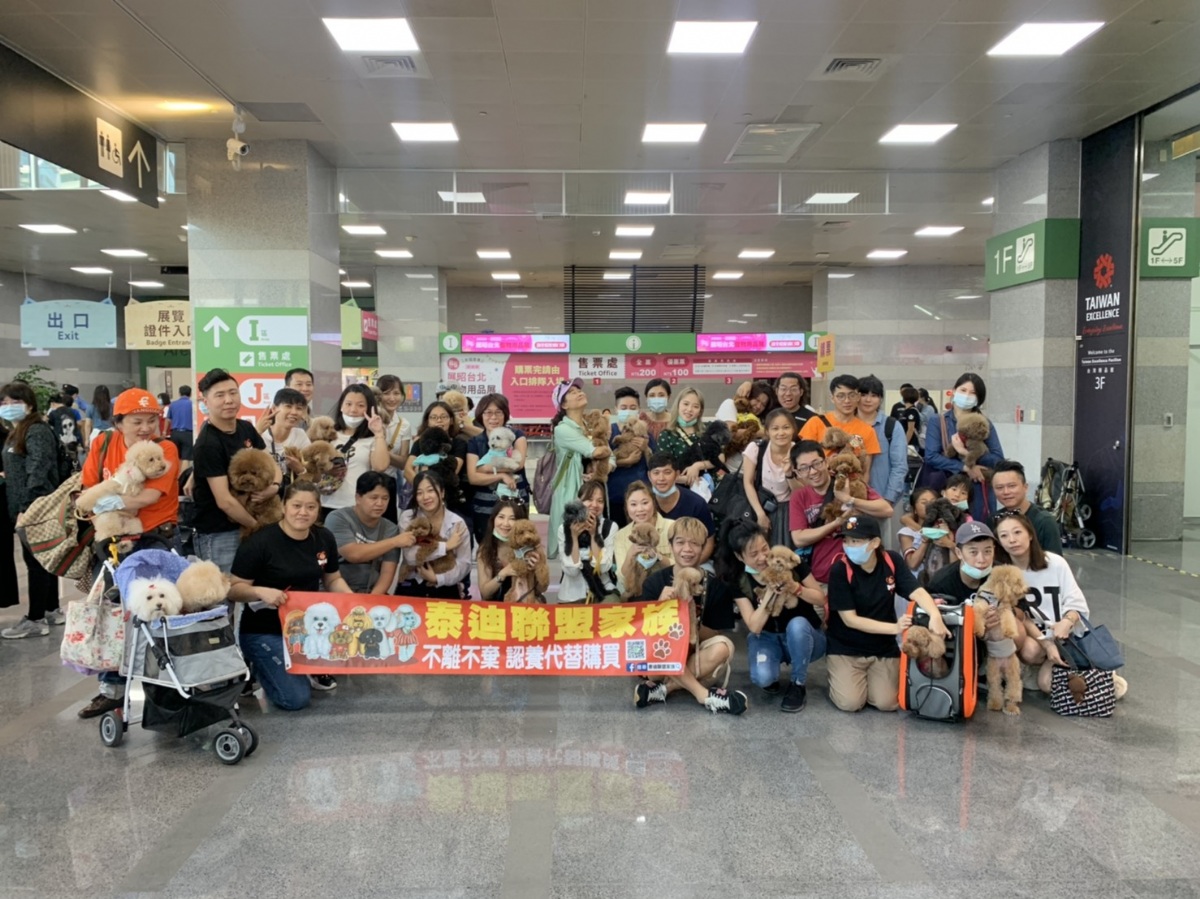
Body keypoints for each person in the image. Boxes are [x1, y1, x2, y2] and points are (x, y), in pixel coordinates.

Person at [73, 388, 183, 717]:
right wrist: (99, 506)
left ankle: (166, 693)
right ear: (119, 423)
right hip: (111, 539)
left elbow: (149, 497)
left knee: (162, 612)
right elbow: (88, 486)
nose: (146, 427)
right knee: (111, 613)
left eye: (152, 420)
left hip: (155, 539)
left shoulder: (165, 449)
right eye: (137, 421)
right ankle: (112, 691)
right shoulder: (103, 444)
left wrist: (108, 501)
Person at [229, 482, 350, 708]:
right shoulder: (259, 542)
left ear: (318, 510)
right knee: (295, 699)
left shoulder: (324, 538)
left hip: (307, 629)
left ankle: (304, 665)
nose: (303, 512)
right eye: (296, 506)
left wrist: (353, 600)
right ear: (284, 506)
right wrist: (259, 591)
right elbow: (233, 588)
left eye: (310, 507)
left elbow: (333, 579)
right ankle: (256, 665)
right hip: (265, 630)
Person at [993, 510, 1126, 699]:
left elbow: (1076, 602)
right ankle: (1050, 666)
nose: (1012, 540)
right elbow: (1022, 616)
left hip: (1066, 634)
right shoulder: (1003, 573)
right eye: (1004, 536)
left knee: (1046, 685)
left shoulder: (1055, 563)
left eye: (1017, 532)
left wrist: (1066, 621)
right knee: (1030, 652)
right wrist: (1048, 645)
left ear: (1030, 534)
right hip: (1038, 637)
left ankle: (1094, 673)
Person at [826, 515, 950, 712]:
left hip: (882, 648)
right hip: (846, 648)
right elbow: (850, 620)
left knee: (887, 703)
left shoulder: (891, 561)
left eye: (856, 541)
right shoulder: (839, 570)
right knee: (850, 703)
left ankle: (869, 679)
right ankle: (842, 674)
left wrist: (935, 615)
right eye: (846, 541)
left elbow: (916, 591)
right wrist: (895, 628)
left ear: (875, 542)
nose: (849, 546)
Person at [636, 516, 746, 715]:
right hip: (661, 655)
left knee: (724, 647)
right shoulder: (654, 582)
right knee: (658, 657)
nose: (687, 549)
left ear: (703, 548)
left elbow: (713, 634)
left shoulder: (716, 586)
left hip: (695, 653)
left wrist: (689, 619)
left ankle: (666, 688)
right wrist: (659, 608)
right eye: (680, 542)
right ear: (671, 545)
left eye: (694, 543)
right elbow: (642, 633)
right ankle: (702, 693)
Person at [722, 520, 826, 712]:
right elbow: (754, 626)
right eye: (754, 554)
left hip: (806, 637)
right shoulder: (738, 580)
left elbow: (820, 599)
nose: (763, 557)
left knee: (797, 625)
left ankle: (798, 683)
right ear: (739, 556)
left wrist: (796, 588)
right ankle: (770, 665)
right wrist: (770, 591)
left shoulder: (791, 562)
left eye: (765, 548)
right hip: (768, 637)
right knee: (763, 678)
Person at [191, 368, 273, 574]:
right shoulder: (207, 443)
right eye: (220, 395)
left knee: (251, 585)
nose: (228, 400)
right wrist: (257, 527)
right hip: (219, 533)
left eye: (233, 393)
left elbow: (270, 465)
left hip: (249, 524)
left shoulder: (246, 428)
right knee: (222, 589)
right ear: (206, 402)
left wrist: (274, 487)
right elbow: (225, 501)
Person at [0, 382, 64, 640]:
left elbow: (38, 469)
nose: (8, 407)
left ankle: (36, 619)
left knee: (36, 562)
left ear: (28, 404)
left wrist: (27, 507)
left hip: (35, 507)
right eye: (3, 402)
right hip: (25, 505)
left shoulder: (36, 430)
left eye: (14, 402)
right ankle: (50, 609)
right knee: (41, 559)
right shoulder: (18, 431)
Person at [789, 440, 893, 584]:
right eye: (804, 468)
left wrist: (850, 500)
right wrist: (837, 523)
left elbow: (886, 510)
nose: (812, 471)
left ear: (826, 462)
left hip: (857, 577)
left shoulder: (849, 483)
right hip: (821, 578)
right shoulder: (799, 496)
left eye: (816, 463)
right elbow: (799, 539)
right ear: (797, 472)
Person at [923, 373, 1004, 520]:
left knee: (978, 528)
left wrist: (964, 452)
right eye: (963, 390)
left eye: (973, 393)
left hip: (978, 489)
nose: (967, 396)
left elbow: (998, 459)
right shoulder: (938, 421)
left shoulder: (984, 423)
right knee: (948, 526)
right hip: (950, 486)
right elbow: (931, 456)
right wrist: (965, 467)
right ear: (954, 391)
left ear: (979, 399)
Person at [546, 379, 611, 559]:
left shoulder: (590, 424)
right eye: (572, 392)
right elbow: (594, 451)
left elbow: (611, 458)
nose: (579, 393)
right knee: (572, 549)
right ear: (564, 405)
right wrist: (604, 454)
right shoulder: (562, 429)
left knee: (596, 544)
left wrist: (602, 468)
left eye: (579, 390)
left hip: (593, 493)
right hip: (572, 493)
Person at [325, 471, 406, 595]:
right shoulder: (338, 518)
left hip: (371, 594)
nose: (380, 503)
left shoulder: (391, 529)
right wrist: (394, 542)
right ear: (358, 498)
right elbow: (353, 554)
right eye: (374, 498)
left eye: (385, 498)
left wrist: (371, 601)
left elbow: (387, 573)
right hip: (336, 592)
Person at [395, 471, 471, 599]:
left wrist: (437, 578)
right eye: (419, 493)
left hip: (445, 582)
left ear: (442, 493)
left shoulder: (457, 523)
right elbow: (410, 556)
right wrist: (445, 547)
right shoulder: (408, 518)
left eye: (430, 490)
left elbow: (464, 563)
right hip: (412, 580)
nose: (425, 497)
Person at [466, 392, 530, 540]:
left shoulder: (516, 435)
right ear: (481, 415)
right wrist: (501, 475)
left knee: (517, 543)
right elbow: (473, 477)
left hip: (515, 501)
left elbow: (517, 464)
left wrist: (486, 468)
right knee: (486, 545)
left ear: (505, 414)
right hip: (485, 505)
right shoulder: (475, 442)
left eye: (498, 412)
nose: (493, 417)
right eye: (488, 413)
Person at [321, 384, 389, 518]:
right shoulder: (327, 433)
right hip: (326, 503)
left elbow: (380, 467)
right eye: (348, 404)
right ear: (341, 406)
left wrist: (378, 433)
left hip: (357, 506)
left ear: (369, 408)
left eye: (360, 405)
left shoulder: (372, 439)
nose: (353, 410)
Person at [798, 374, 881, 480]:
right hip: (820, 483)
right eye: (840, 396)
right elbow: (804, 461)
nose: (847, 401)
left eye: (852, 395)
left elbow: (865, 471)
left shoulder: (868, 430)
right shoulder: (815, 423)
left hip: (851, 486)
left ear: (858, 397)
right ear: (832, 398)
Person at [740, 408, 797, 547]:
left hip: (789, 510)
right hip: (759, 505)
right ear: (767, 431)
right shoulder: (756, 448)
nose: (781, 433)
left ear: (793, 430)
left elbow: (801, 491)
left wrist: (789, 474)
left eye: (786, 427)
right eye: (775, 428)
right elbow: (748, 482)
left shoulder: (798, 451)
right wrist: (760, 514)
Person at [403, 401, 469, 519]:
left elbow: (454, 469)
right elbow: (408, 470)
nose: (439, 420)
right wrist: (424, 490)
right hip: (423, 499)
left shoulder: (459, 443)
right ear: (427, 421)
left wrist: (435, 491)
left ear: (451, 420)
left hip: (451, 498)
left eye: (443, 417)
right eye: (433, 417)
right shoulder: (419, 443)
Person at [646, 452, 716, 562]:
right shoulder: (643, 503)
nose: (661, 478)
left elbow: (709, 541)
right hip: (653, 561)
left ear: (677, 474)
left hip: (691, 561)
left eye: (667, 472)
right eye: (656, 473)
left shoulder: (696, 503)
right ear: (649, 476)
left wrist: (690, 566)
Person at [558, 479, 619, 603]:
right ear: (579, 502)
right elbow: (572, 571)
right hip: (571, 594)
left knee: (611, 604)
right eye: (589, 500)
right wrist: (573, 537)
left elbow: (602, 568)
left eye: (600, 501)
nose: (595, 505)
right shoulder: (564, 528)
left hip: (603, 590)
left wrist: (594, 535)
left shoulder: (610, 527)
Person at [989, 459, 1064, 555]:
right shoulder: (993, 519)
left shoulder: (1044, 521)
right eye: (999, 488)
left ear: (1025, 487)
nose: (1006, 492)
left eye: (1012, 486)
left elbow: (1055, 561)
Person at [613, 480, 673, 596]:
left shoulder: (672, 526)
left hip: (668, 589)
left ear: (653, 503)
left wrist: (658, 556)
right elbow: (622, 579)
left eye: (645, 503)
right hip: (636, 592)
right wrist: (630, 555)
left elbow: (681, 566)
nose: (640, 509)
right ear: (627, 507)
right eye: (633, 504)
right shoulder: (621, 535)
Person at [857, 375, 907, 511]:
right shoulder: (847, 425)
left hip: (881, 500)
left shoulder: (892, 426)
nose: (868, 400)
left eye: (874, 395)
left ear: (880, 399)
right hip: (850, 501)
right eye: (863, 394)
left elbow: (899, 466)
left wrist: (888, 500)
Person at [607, 386, 654, 527]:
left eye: (633, 407)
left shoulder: (645, 433)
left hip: (641, 501)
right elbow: (600, 463)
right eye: (624, 407)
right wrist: (624, 461)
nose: (628, 411)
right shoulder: (609, 432)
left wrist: (646, 448)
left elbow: (655, 464)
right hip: (614, 497)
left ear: (639, 409)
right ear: (616, 409)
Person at [476, 499, 537, 602]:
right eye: (501, 517)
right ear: (493, 519)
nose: (505, 524)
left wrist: (535, 571)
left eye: (512, 519)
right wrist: (503, 573)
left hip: (524, 607)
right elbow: (485, 594)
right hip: (495, 608)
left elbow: (542, 589)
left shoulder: (530, 548)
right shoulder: (486, 549)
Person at [927, 520, 1000, 603]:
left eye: (987, 551)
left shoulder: (1003, 576)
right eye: (973, 552)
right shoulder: (940, 584)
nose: (981, 560)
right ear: (959, 553)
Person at [655, 387, 714, 488]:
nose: (689, 409)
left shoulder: (707, 431)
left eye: (695, 406)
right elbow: (663, 470)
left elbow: (720, 459)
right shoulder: (666, 435)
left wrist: (698, 466)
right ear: (678, 405)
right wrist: (690, 480)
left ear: (700, 411)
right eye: (686, 404)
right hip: (680, 489)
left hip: (710, 488)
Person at [376, 374, 411, 523]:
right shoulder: (368, 419)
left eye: (396, 393)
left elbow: (403, 462)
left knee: (387, 525)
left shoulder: (404, 425)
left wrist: (382, 453)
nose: (392, 398)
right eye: (386, 393)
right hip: (364, 479)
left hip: (388, 482)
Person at [259, 387, 311, 488]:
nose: (294, 412)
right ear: (274, 408)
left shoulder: (300, 435)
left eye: (299, 408)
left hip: (290, 493)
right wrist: (257, 432)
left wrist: (300, 469)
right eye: (288, 406)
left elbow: (315, 477)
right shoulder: (260, 434)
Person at [167, 385, 194, 465]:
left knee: (176, 456)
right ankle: (183, 473)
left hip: (175, 433)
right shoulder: (192, 404)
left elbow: (168, 419)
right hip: (188, 433)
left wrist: (164, 432)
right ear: (190, 394)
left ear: (179, 393)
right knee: (186, 458)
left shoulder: (173, 404)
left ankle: (177, 472)